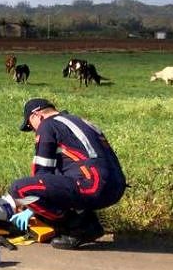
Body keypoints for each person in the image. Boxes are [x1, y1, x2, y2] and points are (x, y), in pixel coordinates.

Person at [8, 98, 126, 249]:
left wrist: (34, 210)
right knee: (61, 173)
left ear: (37, 115)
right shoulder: (81, 121)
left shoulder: (47, 125)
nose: (34, 131)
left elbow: (42, 172)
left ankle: (77, 228)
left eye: (31, 126)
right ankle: (88, 221)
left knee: (20, 189)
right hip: (116, 187)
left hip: (93, 184)